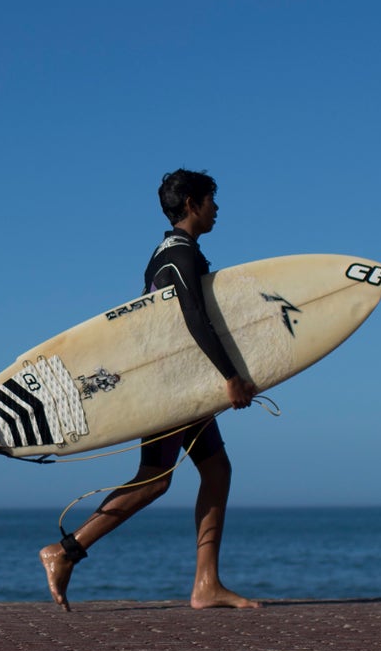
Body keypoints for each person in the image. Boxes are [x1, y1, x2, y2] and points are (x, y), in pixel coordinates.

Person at [38, 168, 262, 611]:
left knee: (217, 471)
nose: (217, 208)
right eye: (211, 200)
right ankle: (65, 551)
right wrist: (231, 377)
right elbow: (194, 319)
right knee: (154, 480)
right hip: (171, 388)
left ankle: (206, 584)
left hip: (185, 386)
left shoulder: (170, 253)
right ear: (192, 204)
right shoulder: (180, 255)